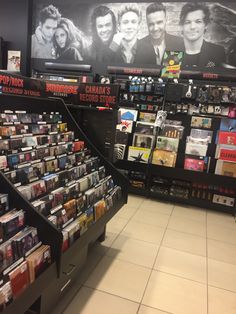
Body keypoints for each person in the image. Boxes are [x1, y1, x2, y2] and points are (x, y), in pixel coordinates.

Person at [180, 3, 226, 68]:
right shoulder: (172, 50)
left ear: (206, 25)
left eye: (198, 21)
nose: (192, 27)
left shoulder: (218, 51)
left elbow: (221, 77)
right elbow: (170, 77)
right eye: (187, 22)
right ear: (182, 26)